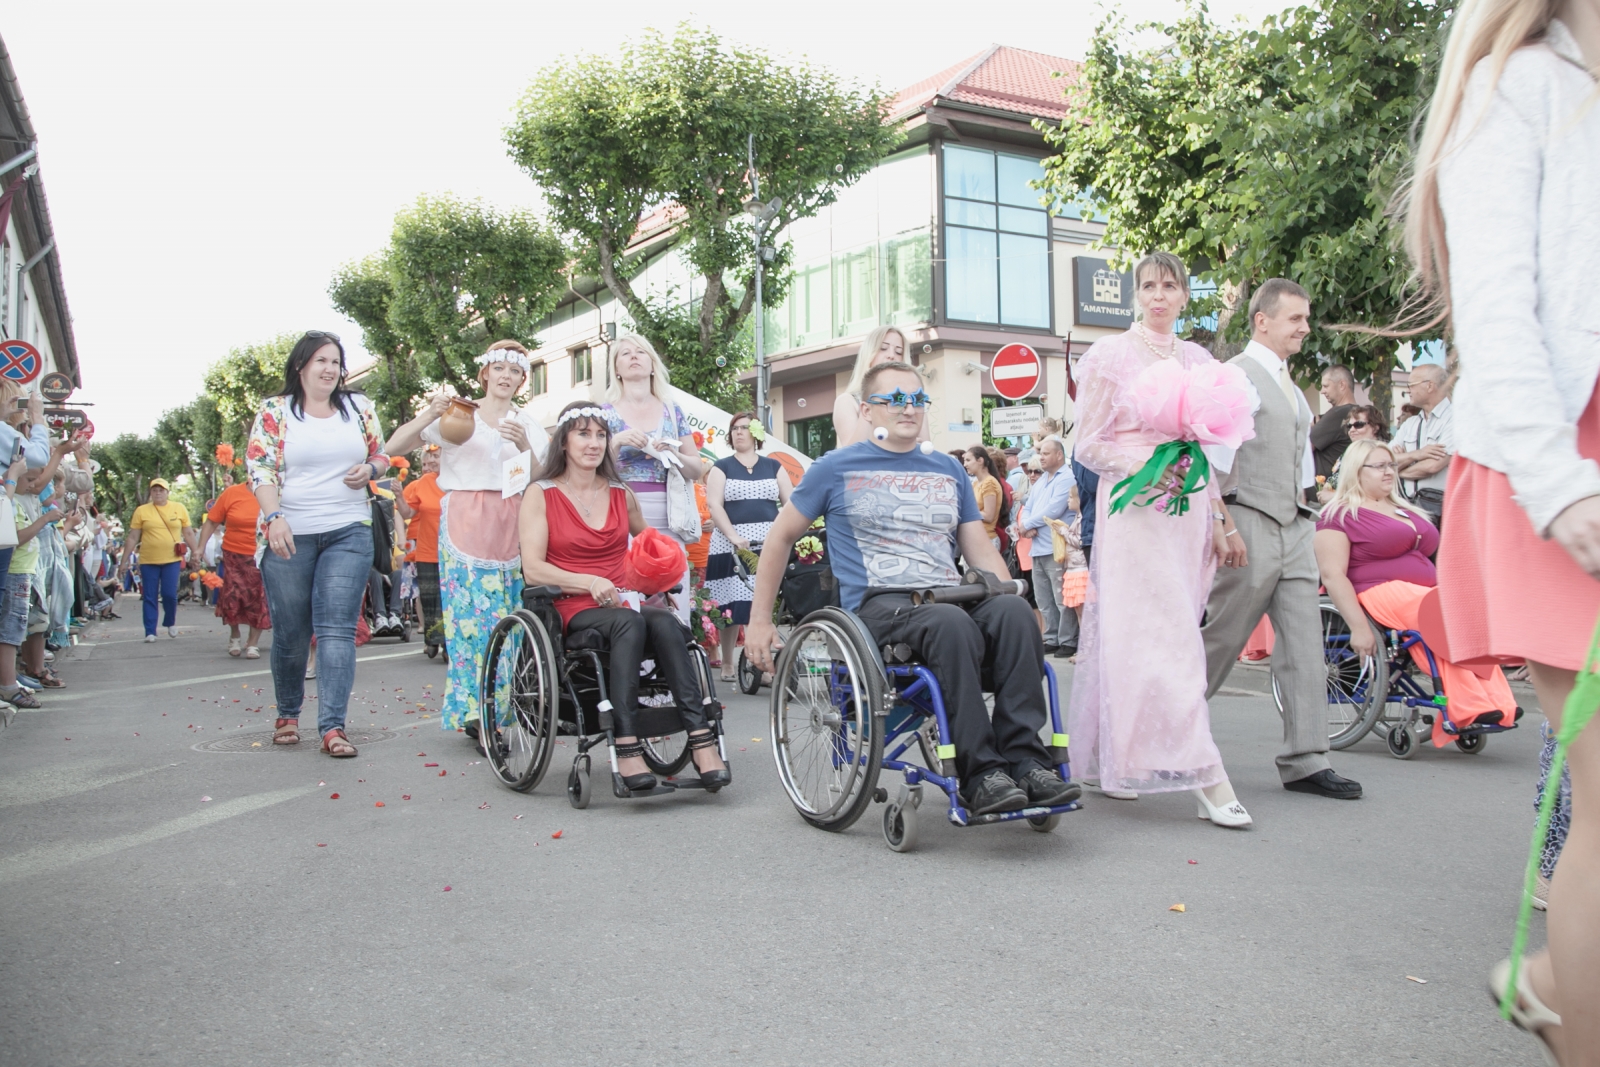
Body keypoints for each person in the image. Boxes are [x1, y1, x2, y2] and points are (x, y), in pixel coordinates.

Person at [1398, 2, 1599, 1057]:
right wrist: (1561, 485)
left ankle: (1554, 976)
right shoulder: (1516, 86)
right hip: (1553, 456)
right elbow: (1498, 307)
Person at [746, 362, 1079, 816]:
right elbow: (780, 537)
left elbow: (979, 551)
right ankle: (980, 773)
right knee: (950, 624)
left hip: (949, 595)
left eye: (916, 399)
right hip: (880, 606)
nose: (908, 408)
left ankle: (1025, 762)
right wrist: (760, 620)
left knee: (1015, 616)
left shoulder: (948, 469)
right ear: (866, 410)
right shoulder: (835, 467)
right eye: (894, 399)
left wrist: (1011, 593)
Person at [1068, 251, 1253, 825]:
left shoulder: (1199, 359)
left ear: (1184, 295)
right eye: (1148, 285)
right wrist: (1147, 462)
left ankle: (1117, 756)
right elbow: (1087, 445)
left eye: (1169, 286)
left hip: (1187, 511)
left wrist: (1222, 520)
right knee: (1151, 635)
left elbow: (1206, 450)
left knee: (1175, 630)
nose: (1158, 296)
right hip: (1135, 513)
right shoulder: (1109, 355)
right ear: (1135, 294)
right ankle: (1207, 774)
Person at [1199, 277, 1364, 803]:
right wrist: (1222, 524)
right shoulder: (1230, 376)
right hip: (1247, 517)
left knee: (1304, 643)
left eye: (1306, 318)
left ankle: (1307, 759)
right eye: (1295, 318)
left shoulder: (1292, 387)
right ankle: (1158, 733)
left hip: (1295, 523)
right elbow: (1206, 459)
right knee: (1221, 639)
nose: (1305, 327)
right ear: (1262, 320)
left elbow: (1298, 458)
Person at [518, 401, 729, 791]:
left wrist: (662, 568)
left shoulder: (621, 492)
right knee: (629, 622)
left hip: (622, 599)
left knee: (665, 622)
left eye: (601, 435)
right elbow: (533, 569)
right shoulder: (540, 494)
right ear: (563, 442)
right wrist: (587, 582)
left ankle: (701, 740)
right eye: (583, 434)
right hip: (573, 605)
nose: (594, 443)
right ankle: (627, 742)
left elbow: (649, 546)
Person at [386, 340, 548, 735]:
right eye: (499, 369)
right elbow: (393, 446)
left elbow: (544, 479)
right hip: (464, 518)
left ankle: (501, 707)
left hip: (511, 519)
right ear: (485, 373)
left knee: (508, 617)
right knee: (469, 620)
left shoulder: (527, 424)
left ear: (522, 379)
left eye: (515, 372)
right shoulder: (462, 414)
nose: (506, 377)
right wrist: (430, 411)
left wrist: (525, 446)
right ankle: (476, 712)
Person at [1315, 438, 1517, 744]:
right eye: (1379, 466)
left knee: (1468, 609)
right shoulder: (1338, 514)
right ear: (1357, 471)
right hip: (1378, 591)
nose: (1389, 472)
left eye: (1391, 465)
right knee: (1437, 614)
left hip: (1423, 590)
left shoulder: (1402, 507)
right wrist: (1359, 628)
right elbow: (1332, 574)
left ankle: (1499, 704)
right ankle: (1468, 704)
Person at [247, 330, 389, 758]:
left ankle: (332, 726)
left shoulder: (358, 407)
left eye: (335, 362)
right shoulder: (275, 411)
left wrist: (369, 469)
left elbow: (380, 454)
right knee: (291, 633)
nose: (329, 370)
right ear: (300, 367)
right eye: (320, 361)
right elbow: (260, 468)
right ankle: (288, 713)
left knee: (336, 630)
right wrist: (274, 517)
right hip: (289, 532)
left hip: (348, 528)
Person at [602, 333, 704, 623]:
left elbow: (696, 469)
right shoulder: (605, 414)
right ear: (617, 370)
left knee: (675, 600)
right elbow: (593, 467)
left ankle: (675, 661)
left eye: (640, 352)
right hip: (623, 516)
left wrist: (673, 453)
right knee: (634, 602)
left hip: (672, 516)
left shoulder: (672, 411)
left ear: (652, 365)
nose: (633, 356)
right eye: (625, 354)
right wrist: (618, 441)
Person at [704, 411, 791, 681]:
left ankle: (762, 664)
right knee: (730, 607)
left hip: (767, 544)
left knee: (761, 603)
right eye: (734, 429)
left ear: (755, 433)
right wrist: (732, 535)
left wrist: (786, 536)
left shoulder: (773, 467)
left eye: (744, 427)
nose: (738, 432)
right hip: (730, 544)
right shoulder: (722, 467)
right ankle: (728, 662)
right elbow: (714, 505)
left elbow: (790, 503)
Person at [1017, 436, 1077, 657]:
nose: (1041, 457)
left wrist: (1028, 525)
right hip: (1037, 545)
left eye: (1046, 453)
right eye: (1040, 453)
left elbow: (1055, 509)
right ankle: (1051, 637)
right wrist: (1026, 526)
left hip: (1056, 546)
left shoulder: (1066, 477)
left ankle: (1068, 640)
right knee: (1044, 598)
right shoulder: (1042, 480)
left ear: (1059, 455)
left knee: (1061, 597)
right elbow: (1030, 505)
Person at [200, 469, 270, 658]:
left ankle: (253, 643)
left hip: (261, 554)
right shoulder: (232, 493)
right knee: (233, 596)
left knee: (259, 598)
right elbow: (212, 522)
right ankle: (235, 635)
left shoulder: (272, 493)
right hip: (233, 555)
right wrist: (199, 548)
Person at [119, 477, 197, 643]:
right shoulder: (142, 511)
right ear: (151, 493)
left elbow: (188, 533)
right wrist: (124, 561)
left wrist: (197, 552)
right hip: (148, 560)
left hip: (172, 559)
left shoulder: (179, 508)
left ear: (167, 492)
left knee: (169, 594)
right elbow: (133, 537)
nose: (158, 493)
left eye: (161, 490)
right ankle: (150, 631)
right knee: (149, 595)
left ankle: (170, 622)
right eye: (154, 490)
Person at [831, 325, 918, 449]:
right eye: (883, 348)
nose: (891, 356)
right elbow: (851, 453)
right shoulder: (847, 401)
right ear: (869, 354)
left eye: (898, 352)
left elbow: (926, 448)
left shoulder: (912, 403)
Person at [1393, 361, 1454, 529]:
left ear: (1429, 386)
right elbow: (1384, 461)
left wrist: (1398, 470)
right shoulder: (1410, 423)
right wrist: (1416, 455)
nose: (1408, 390)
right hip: (1406, 507)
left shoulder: (1456, 419)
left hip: (1441, 511)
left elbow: (1433, 466)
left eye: (1411, 385)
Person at [397, 445, 444, 645]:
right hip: (426, 550)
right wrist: (399, 497)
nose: (431, 461)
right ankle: (433, 639)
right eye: (428, 458)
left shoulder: (459, 481)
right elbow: (407, 513)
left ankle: (449, 643)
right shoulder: (424, 482)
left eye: (436, 456)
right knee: (429, 600)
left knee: (448, 600)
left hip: (453, 550)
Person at [1317, 404, 1388, 504]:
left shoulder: (1382, 453)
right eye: (1349, 426)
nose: (1352, 430)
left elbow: (1373, 494)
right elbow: (1332, 481)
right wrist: (1325, 491)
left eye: (1358, 425)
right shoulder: (1348, 453)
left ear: (1375, 428)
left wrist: (1336, 497)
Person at [1311, 364, 1359, 479]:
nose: (1322, 391)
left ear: (1342, 385)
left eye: (1326, 386)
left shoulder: (1339, 413)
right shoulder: (1355, 412)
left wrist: (1311, 429)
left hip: (1325, 489)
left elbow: (1303, 446)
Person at [964, 446, 1005, 548]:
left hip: (986, 539)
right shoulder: (976, 483)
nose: (965, 464)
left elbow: (989, 516)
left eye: (968, 460)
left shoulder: (989, 483)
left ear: (980, 460)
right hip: (975, 538)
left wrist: (965, 512)